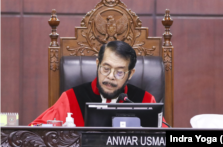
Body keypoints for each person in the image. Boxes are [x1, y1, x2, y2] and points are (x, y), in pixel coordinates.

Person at [30, 41, 168, 127]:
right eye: (106, 69)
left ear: (130, 74)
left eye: (119, 72)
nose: (110, 77)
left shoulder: (144, 101)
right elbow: (35, 133)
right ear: (98, 65)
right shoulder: (71, 99)